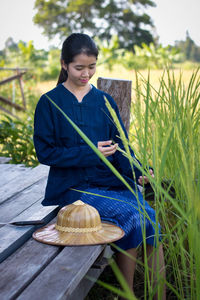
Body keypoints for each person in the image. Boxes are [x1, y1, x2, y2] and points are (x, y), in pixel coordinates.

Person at [34, 33, 166, 299]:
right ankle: (127, 294)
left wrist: (140, 172)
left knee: (150, 220)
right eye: (79, 67)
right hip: (74, 190)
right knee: (132, 217)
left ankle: (159, 295)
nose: (86, 74)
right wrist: (90, 152)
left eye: (92, 67)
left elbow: (122, 148)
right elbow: (45, 153)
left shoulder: (104, 101)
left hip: (111, 183)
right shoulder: (49, 103)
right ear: (64, 64)